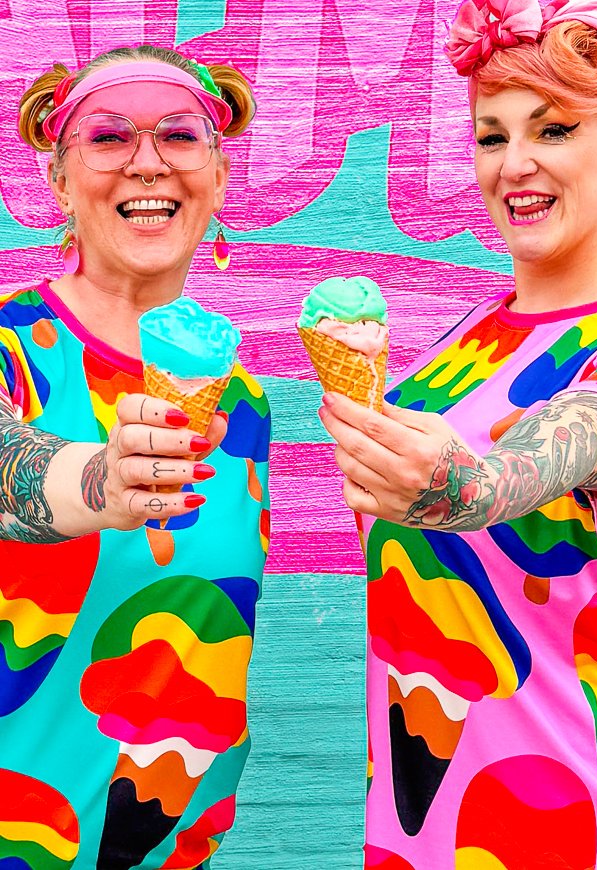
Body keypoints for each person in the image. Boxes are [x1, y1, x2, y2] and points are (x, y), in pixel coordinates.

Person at [319, 0, 597, 866]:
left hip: (574, 828)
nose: (515, 164)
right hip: (419, 833)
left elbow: (577, 435)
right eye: (492, 136)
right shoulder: (461, 344)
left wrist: (470, 485)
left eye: (554, 129)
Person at [0, 46, 270, 869]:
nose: (147, 163)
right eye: (109, 137)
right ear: (59, 181)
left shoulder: (244, 405)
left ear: (218, 180)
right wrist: (100, 480)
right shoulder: (11, 349)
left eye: (180, 136)